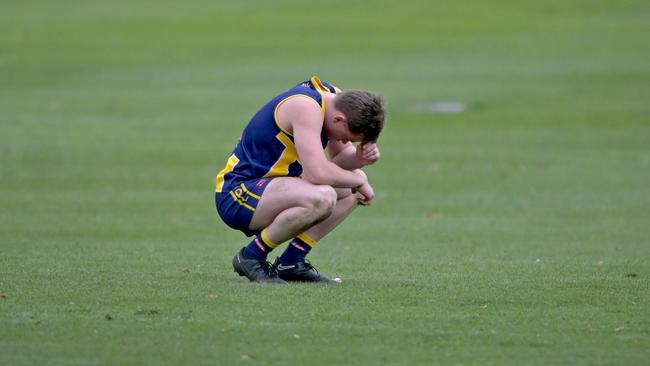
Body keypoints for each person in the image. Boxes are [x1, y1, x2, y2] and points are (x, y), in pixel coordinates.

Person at [214, 76, 385, 284]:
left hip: (275, 189)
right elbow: (317, 174)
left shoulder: (334, 100)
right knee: (325, 196)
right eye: (347, 137)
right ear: (339, 119)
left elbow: (340, 160)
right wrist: (359, 183)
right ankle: (251, 257)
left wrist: (359, 159)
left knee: (353, 184)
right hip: (239, 193)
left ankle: (291, 262)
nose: (344, 142)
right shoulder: (305, 107)